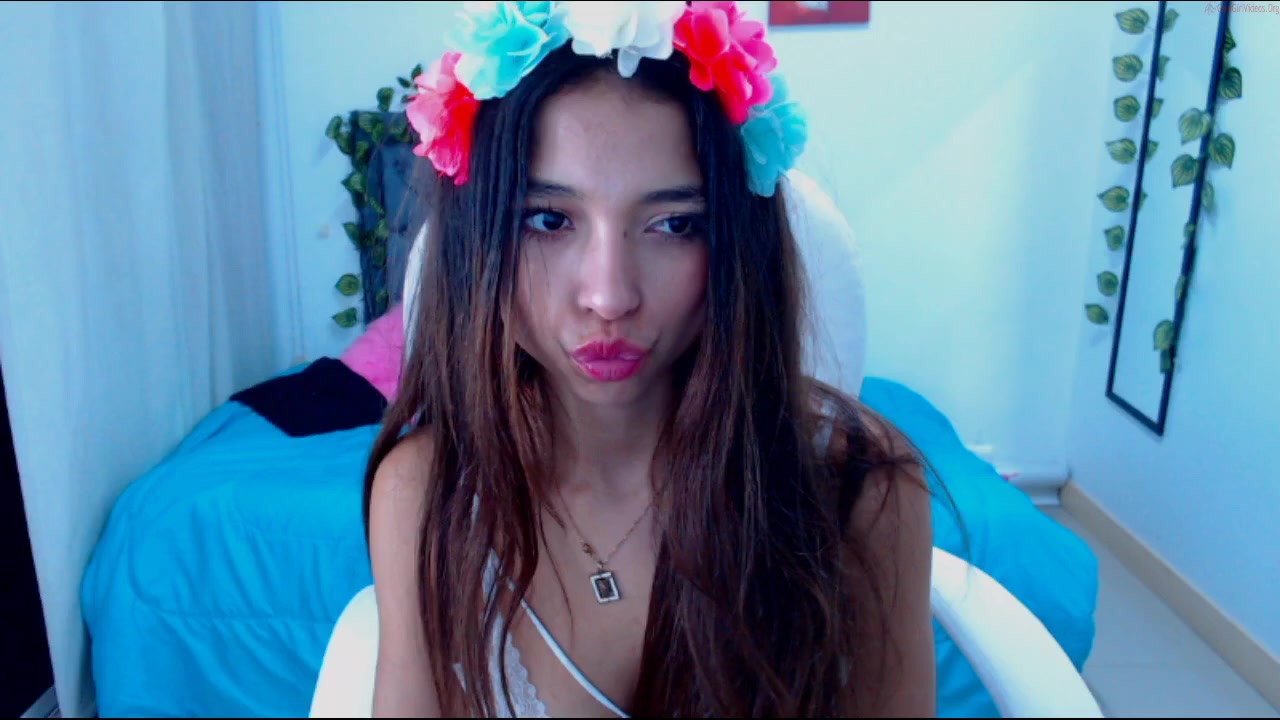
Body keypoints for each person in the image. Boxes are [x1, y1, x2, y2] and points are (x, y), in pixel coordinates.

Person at [363, 2, 938, 717]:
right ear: (475, 243)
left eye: (674, 224)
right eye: (548, 220)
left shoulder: (859, 490)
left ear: (735, 246)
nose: (609, 296)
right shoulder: (428, 492)